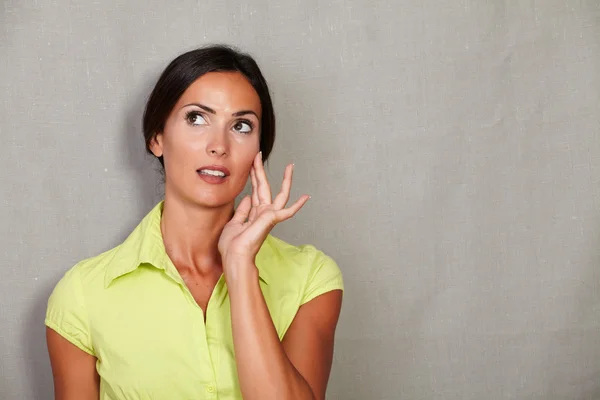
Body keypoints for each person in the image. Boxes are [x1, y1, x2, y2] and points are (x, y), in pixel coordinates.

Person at [44, 44, 344, 400]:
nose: (218, 145)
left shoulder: (311, 278)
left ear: (258, 152)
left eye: (242, 126)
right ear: (157, 137)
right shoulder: (82, 295)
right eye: (197, 118)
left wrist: (240, 267)